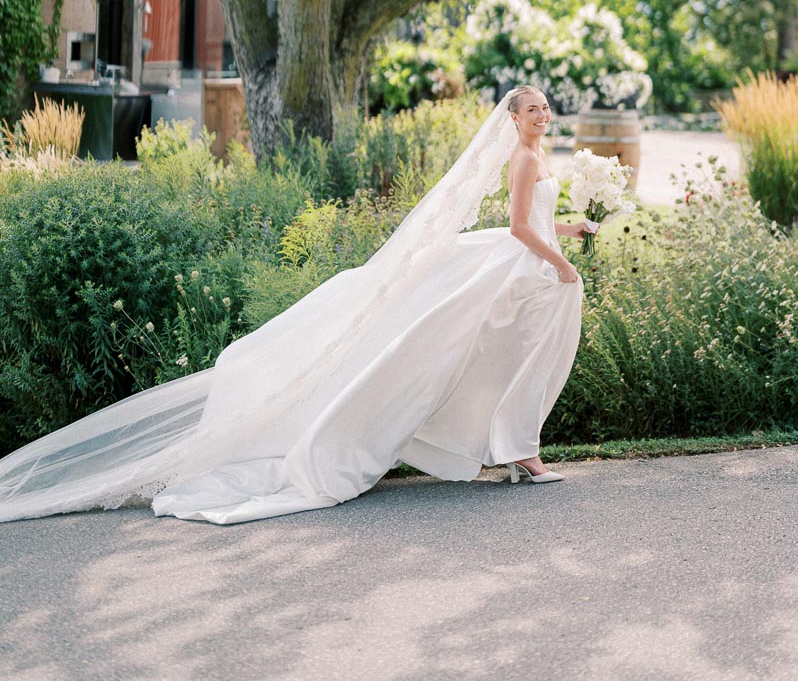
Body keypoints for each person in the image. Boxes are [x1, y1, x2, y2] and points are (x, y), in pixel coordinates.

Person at [0, 85, 588, 524]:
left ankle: (514, 448)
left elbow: (535, 219)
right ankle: (517, 452)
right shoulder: (524, 158)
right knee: (461, 352)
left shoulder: (540, 160)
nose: (541, 114)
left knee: (499, 358)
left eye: (543, 107)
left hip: (528, 267)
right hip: (519, 268)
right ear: (512, 120)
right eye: (530, 108)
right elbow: (515, 227)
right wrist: (558, 262)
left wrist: (570, 229)